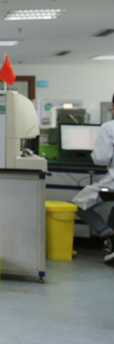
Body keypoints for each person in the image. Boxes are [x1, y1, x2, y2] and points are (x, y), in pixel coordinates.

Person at [72, 95, 114, 263]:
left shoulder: (109, 127)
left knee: (79, 204)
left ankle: (108, 234)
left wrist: (93, 153)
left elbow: (101, 159)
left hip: (112, 184)